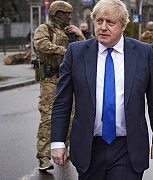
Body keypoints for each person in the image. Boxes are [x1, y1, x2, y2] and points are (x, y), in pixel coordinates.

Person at [50, 0, 153, 179]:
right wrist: (57, 142)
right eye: (99, 21)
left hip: (128, 147)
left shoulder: (143, 53)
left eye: (110, 22)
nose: (103, 27)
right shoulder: (76, 52)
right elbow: (62, 102)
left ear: (123, 25)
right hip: (89, 146)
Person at [33, 0, 84, 171]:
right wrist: (66, 51)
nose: (69, 17)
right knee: (48, 118)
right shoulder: (44, 29)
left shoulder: (70, 31)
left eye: (70, 14)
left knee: (70, 116)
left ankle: (64, 147)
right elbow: (41, 45)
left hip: (69, 79)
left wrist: (80, 35)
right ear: (56, 14)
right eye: (65, 14)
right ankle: (43, 157)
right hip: (51, 79)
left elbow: (86, 49)